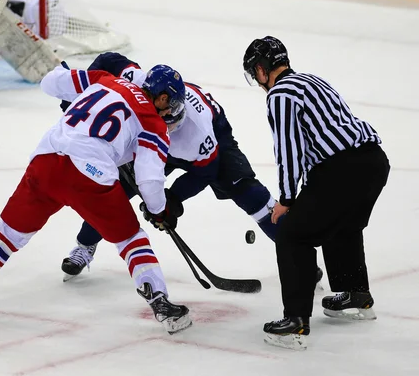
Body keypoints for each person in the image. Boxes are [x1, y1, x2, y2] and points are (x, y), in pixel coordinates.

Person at [0, 63, 193, 335]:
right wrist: (158, 210)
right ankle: (160, 302)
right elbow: (149, 180)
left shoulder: (105, 79)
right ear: (162, 97)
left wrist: (76, 89)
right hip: (89, 174)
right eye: (171, 104)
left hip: (46, 161)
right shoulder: (153, 122)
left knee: (8, 233)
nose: (170, 112)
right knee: (130, 238)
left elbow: (49, 83)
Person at [56, 53, 323, 285]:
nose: (170, 124)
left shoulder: (195, 134)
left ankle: (301, 259)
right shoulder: (136, 80)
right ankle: (85, 245)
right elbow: (107, 61)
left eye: (173, 119)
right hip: (147, 133)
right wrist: (79, 95)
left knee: (248, 193)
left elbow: (205, 172)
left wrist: (171, 201)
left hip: (214, 141)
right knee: (114, 193)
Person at [242, 36, 390, 350]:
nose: (258, 82)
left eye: (255, 74)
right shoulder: (311, 80)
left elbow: (290, 150)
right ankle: (356, 296)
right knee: (343, 224)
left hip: (342, 170)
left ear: (261, 68)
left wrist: (286, 200)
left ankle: (295, 322)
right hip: (374, 162)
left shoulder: (280, 94)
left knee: (292, 233)